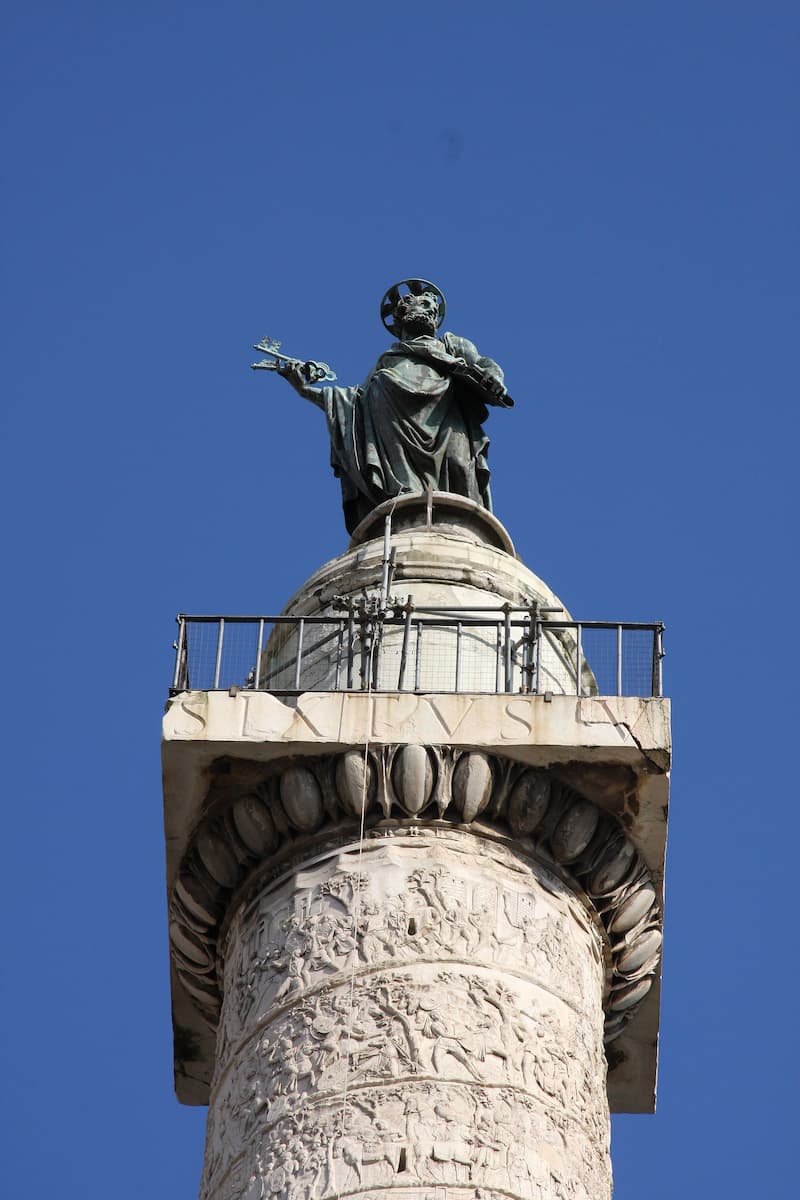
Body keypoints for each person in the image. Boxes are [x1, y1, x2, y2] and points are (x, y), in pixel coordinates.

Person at [278, 279, 513, 533]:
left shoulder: (451, 345)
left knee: (459, 465)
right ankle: (407, 505)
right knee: (381, 384)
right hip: (395, 428)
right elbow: (354, 407)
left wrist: (495, 379)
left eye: (432, 308)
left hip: (447, 417)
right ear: (401, 315)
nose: (429, 311)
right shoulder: (387, 362)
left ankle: (463, 524)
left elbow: (485, 365)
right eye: (421, 304)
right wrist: (304, 390)